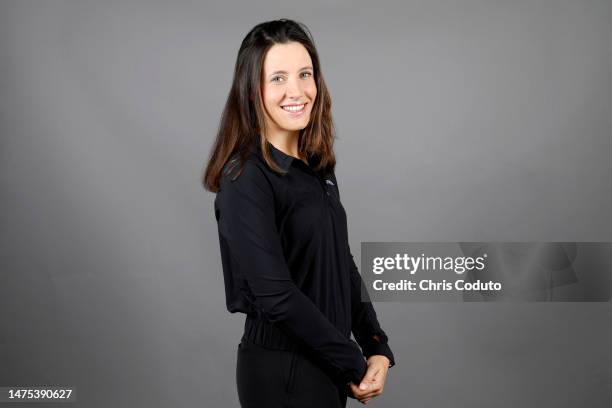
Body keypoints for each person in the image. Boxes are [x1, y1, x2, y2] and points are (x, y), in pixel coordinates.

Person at [202, 18, 395, 407]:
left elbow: (340, 262)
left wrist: (376, 346)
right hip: (282, 373)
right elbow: (276, 297)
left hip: (326, 365)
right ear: (251, 89)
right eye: (278, 78)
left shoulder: (317, 165)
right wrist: (352, 364)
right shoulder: (245, 177)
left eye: (305, 74)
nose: (297, 90)